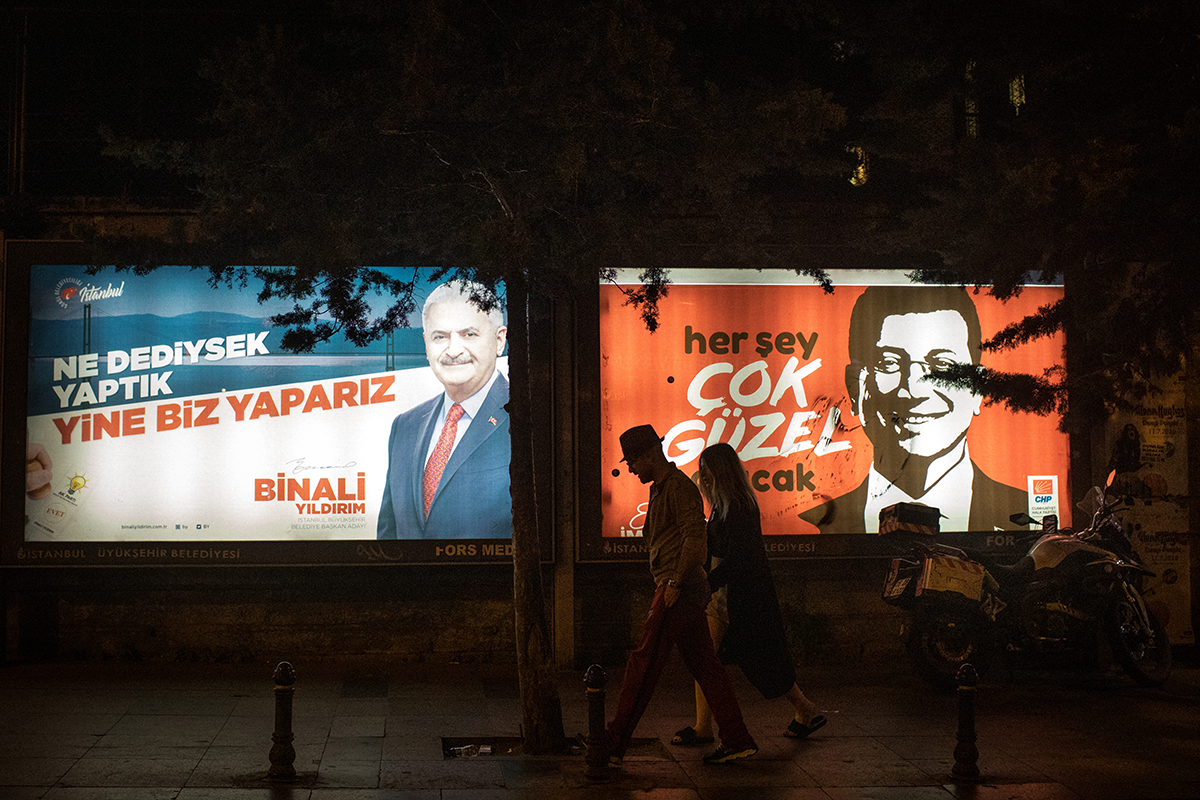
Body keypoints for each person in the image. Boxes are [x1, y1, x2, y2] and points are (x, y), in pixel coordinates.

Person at [802, 285, 1027, 533]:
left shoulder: (1028, 519)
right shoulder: (807, 527)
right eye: (888, 363)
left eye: (942, 364)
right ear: (856, 388)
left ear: (976, 388)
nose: (914, 390)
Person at [603, 424, 759, 766]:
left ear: (648, 454)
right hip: (682, 588)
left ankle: (613, 742)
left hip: (679, 590)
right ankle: (737, 738)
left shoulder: (678, 489)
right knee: (708, 668)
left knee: (643, 663)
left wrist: (673, 584)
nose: (629, 467)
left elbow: (694, 539)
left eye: (632, 460)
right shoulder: (662, 488)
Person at [672, 442, 826, 748]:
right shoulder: (725, 504)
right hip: (728, 596)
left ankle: (802, 709)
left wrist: (709, 582)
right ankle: (707, 725)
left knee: (749, 659)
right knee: (716, 657)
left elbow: (741, 558)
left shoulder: (738, 507)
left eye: (707, 470)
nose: (702, 476)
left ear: (721, 472)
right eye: (701, 470)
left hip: (737, 598)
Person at [377, 280, 511, 539]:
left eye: (469, 334)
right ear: (426, 344)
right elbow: (388, 540)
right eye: (440, 337)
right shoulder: (405, 426)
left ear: (499, 340)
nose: (453, 350)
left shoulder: (529, 418)